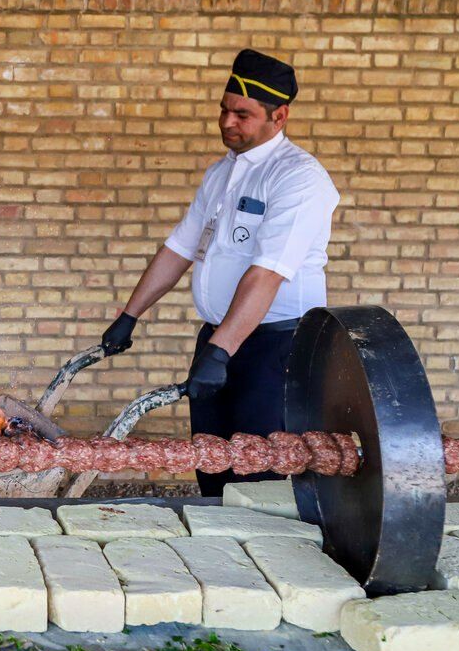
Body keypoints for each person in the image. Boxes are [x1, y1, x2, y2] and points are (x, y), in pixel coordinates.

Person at [100, 49, 339, 497]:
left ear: (279, 116)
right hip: (220, 342)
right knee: (211, 468)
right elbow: (179, 247)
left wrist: (221, 351)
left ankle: (265, 562)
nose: (227, 122)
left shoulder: (298, 179)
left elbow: (267, 274)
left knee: (258, 476)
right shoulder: (221, 174)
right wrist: (130, 314)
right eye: (224, 110)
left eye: (242, 114)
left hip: (275, 349)